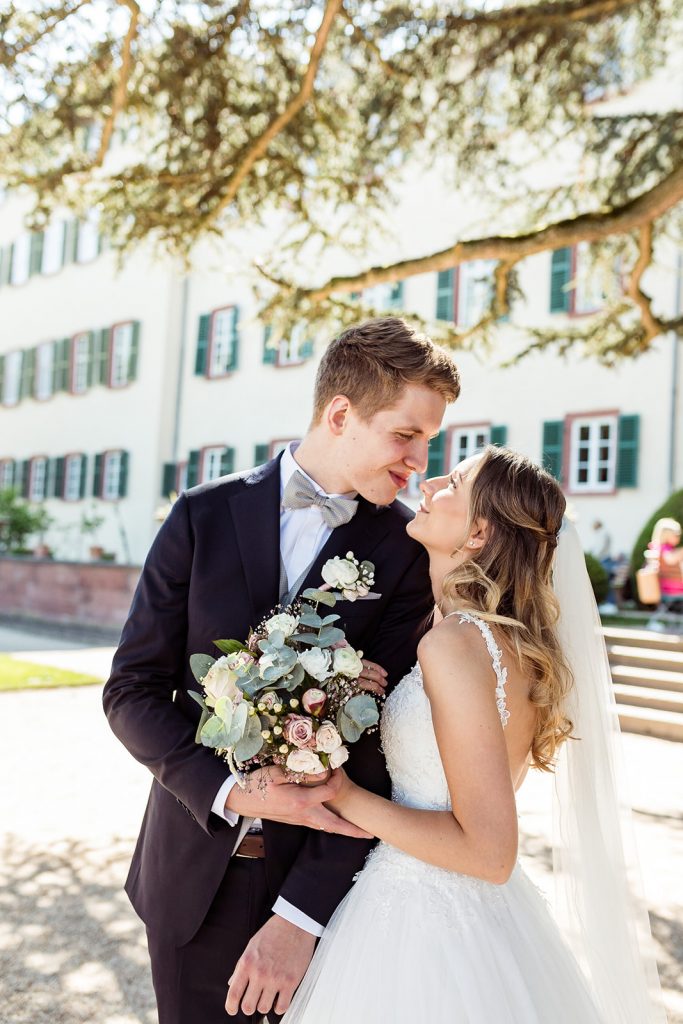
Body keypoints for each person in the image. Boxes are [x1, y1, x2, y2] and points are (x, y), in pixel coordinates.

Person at [102, 317, 461, 1024]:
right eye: (405, 434)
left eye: (428, 439)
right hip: (188, 874)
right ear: (339, 414)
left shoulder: (404, 550)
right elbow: (131, 690)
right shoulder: (202, 514)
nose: (420, 459)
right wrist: (231, 793)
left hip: (322, 893)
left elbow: (383, 746)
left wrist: (301, 917)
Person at [283, 446, 665, 1024]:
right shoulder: (486, 641)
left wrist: (343, 794)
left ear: (480, 531)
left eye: (454, 482)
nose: (429, 483)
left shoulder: (457, 643)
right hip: (471, 917)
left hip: (426, 928)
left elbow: (489, 853)